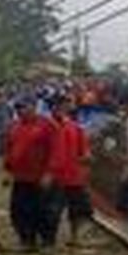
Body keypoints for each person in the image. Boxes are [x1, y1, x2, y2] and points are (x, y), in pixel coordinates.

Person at [3, 99, 58, 253]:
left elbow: (54, 150)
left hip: (40, 177)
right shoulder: (14, 126)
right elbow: (9, 148)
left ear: (33, 107)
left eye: (24, 107)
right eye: (18, 108)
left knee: (44, 211)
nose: (21, 111)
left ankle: (47, 242)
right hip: (20, 177)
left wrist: (49, 173)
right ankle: (27, 240)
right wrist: (8, 171)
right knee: (19, 211)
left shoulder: (47, 125)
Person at [50, 98, 94, 246]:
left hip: (74, 175)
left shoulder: (76, 128)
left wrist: (86, 156)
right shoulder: (48, 127)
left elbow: (85, 151)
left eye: (64, 107)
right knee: (53, 209)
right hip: (55, 175)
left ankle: (75, 237)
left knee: (77, 209)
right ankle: (49, 239)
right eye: (59, 107)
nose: (62, 110)